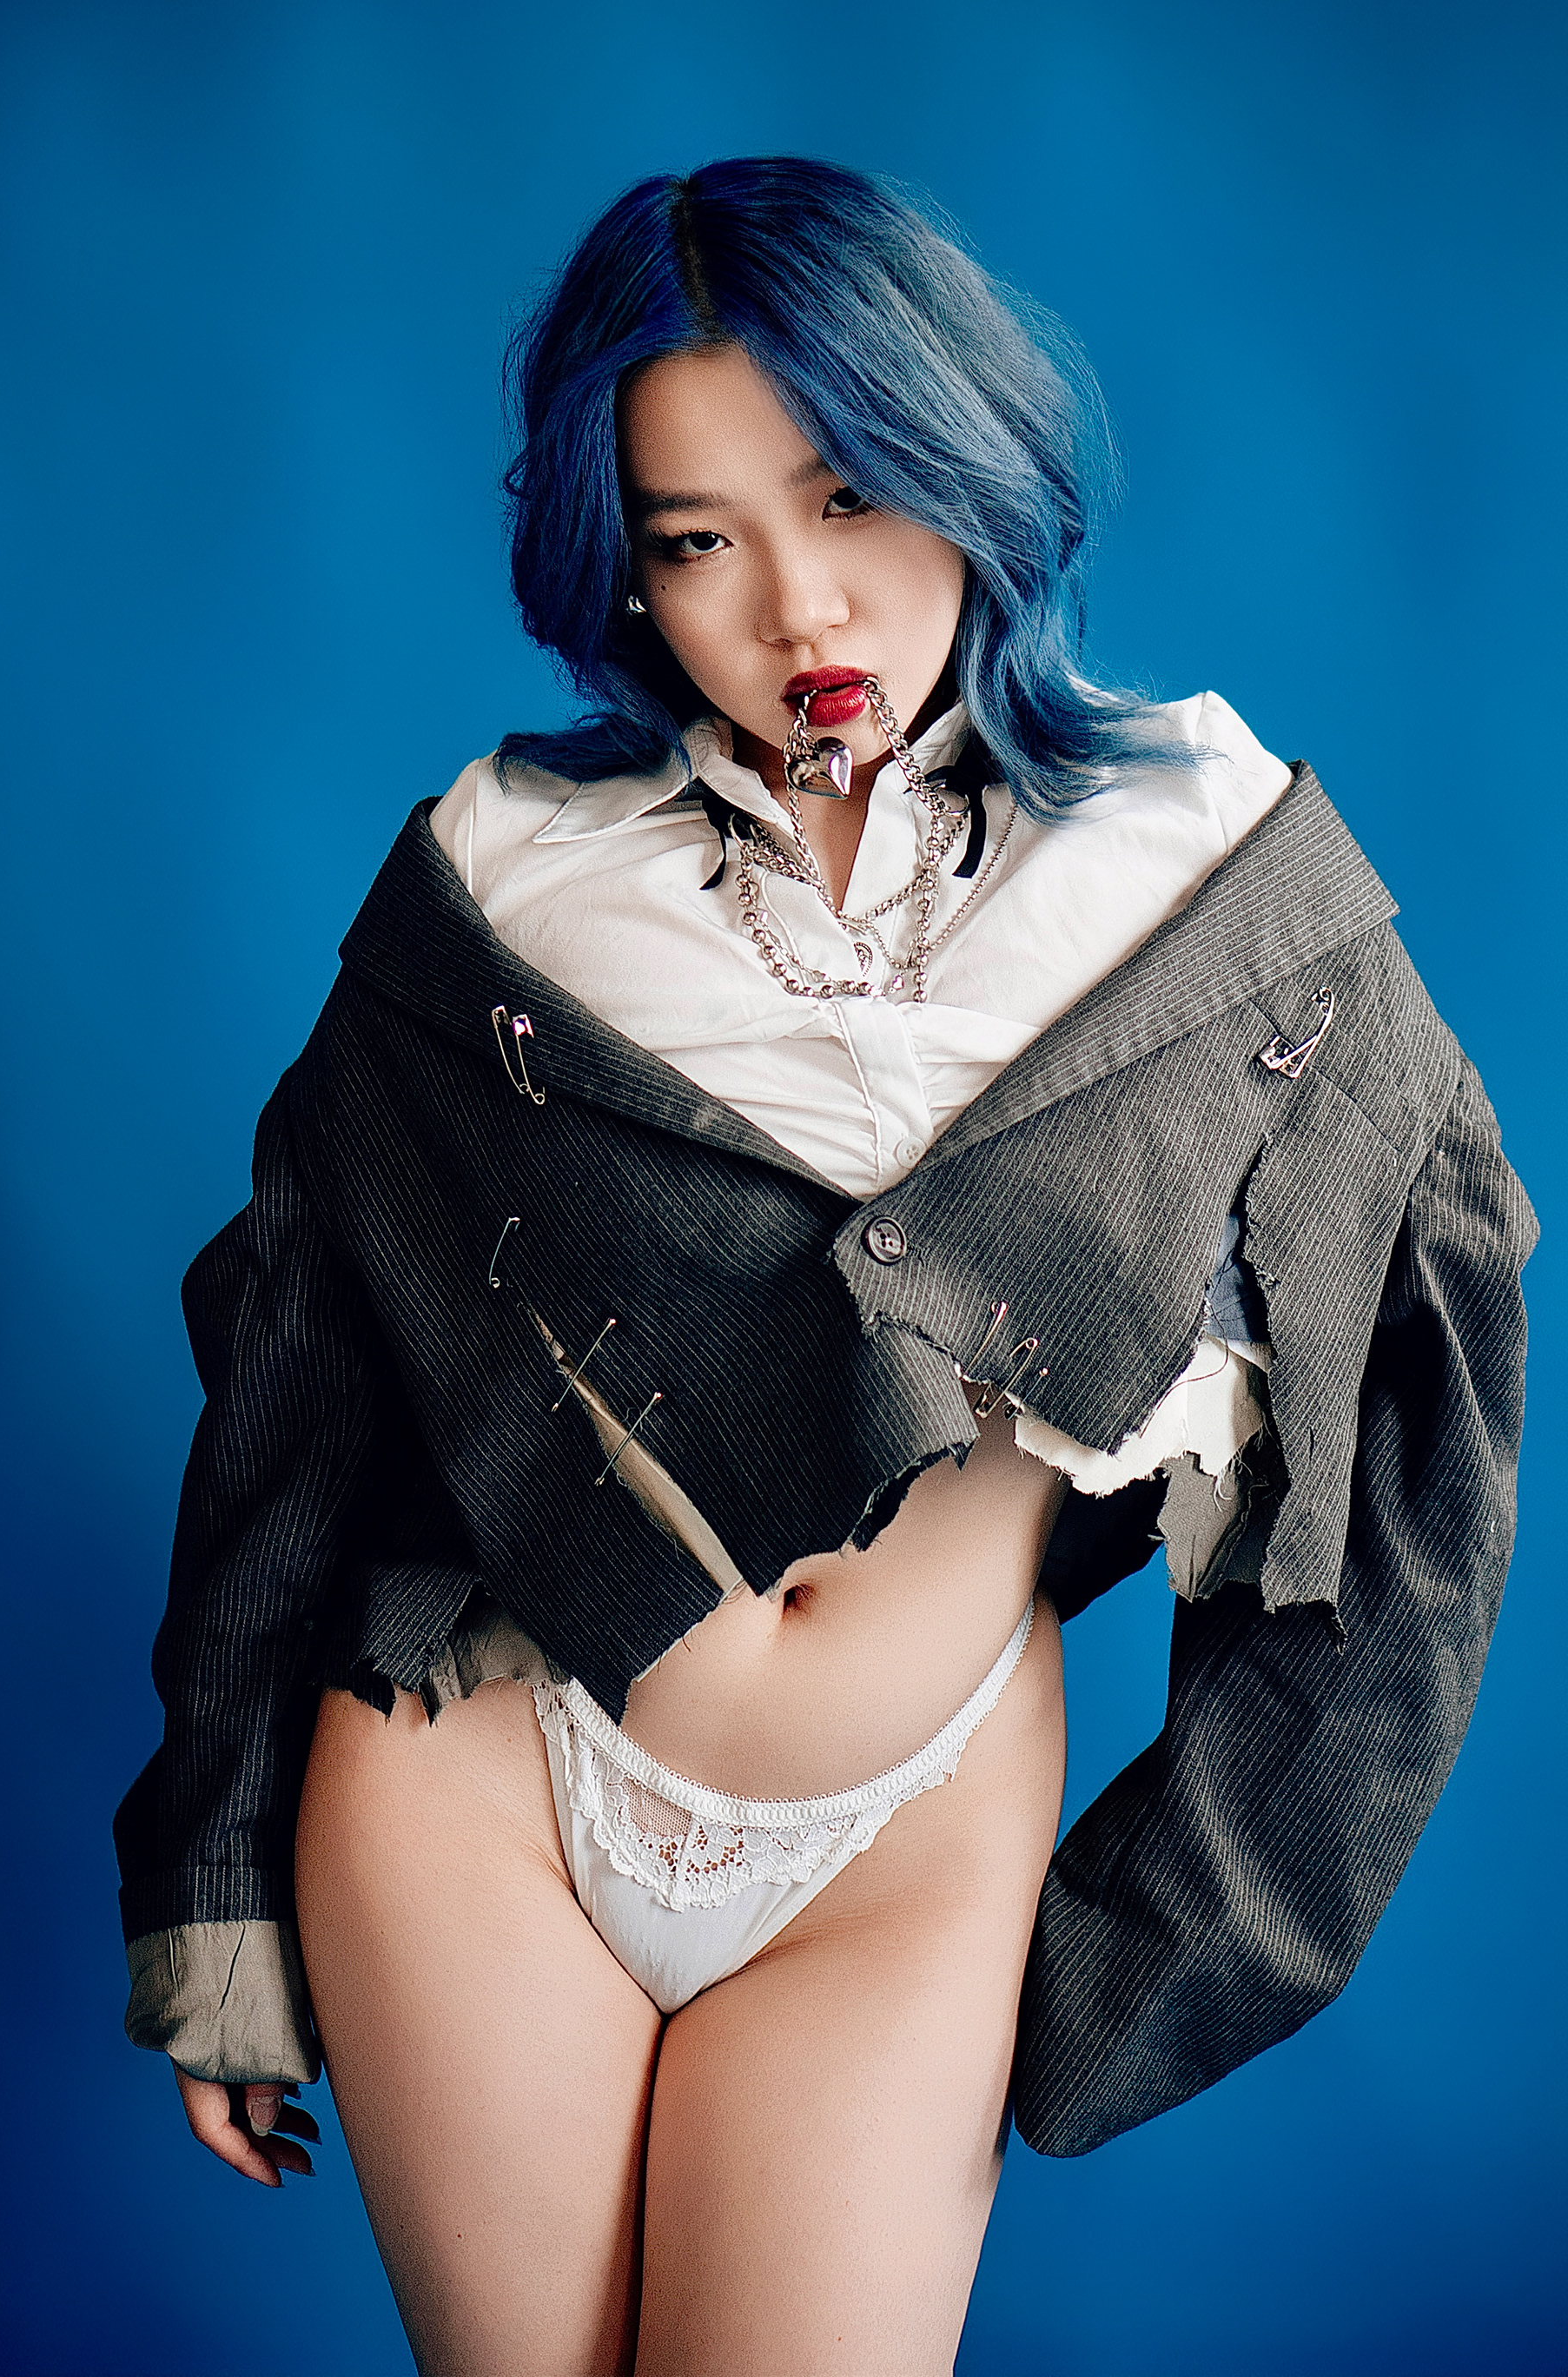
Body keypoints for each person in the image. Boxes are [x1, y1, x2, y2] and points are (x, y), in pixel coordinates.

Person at [115, 157, 1536, 2376]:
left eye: (853, 493)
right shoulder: (510, 872)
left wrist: (1194, 1927)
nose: (800, 607)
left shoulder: (1207, 864)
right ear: (624, 569)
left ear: (968, 463)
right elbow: (298, 1379)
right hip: (482, 1777)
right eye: (696, 540)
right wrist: (213, 1882)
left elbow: (1429, 1427)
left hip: (909, 1844)